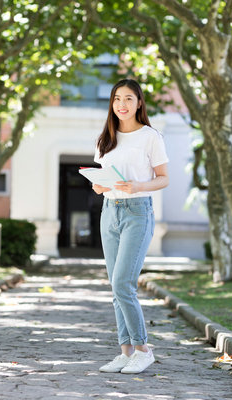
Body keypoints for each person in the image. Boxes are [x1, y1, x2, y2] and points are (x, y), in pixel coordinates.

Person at [92, 78, 169, 374]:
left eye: (128, 98)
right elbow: (103, 176)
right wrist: (99, 186)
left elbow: (164, 178)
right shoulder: (105, 138)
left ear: (139, 103)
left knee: (124, 283)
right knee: (115, 286)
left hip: (138, 212)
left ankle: (143, 349)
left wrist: (138, 186)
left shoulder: (150, 136)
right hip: (109, 212)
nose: (121, 104)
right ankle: (125, 353)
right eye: (116, 99)